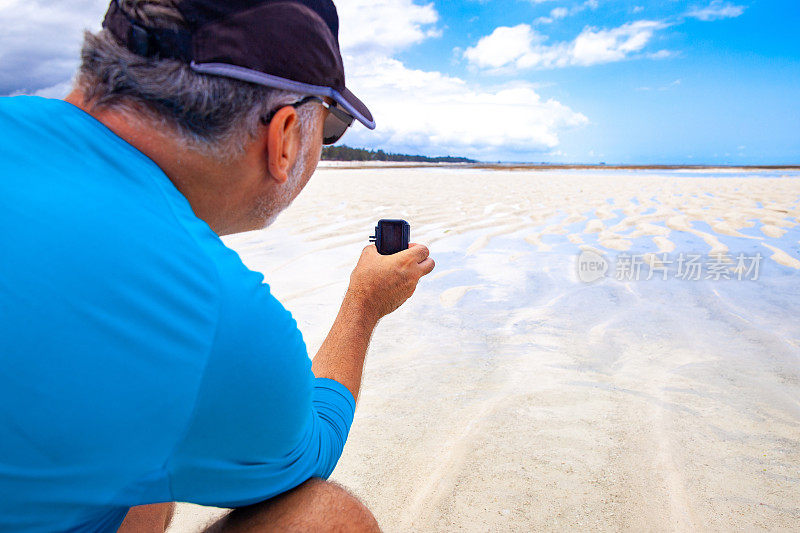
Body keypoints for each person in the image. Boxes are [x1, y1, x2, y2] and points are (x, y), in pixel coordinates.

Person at [0, 0, 434, 531]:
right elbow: (312, 448)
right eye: (331, 127)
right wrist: (364, 305)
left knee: (146, 468)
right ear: (285, 138)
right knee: (331, 518)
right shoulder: (208, 309)